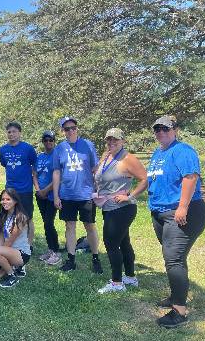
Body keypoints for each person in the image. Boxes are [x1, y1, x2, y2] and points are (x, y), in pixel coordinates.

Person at [147, 116, 205, 328]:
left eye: (165, 128)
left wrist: (182, 207)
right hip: (161, 212)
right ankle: (176, 297)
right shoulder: (158, 153)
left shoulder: (183, 150)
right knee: (175, 258)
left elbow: (190, 178)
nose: (161, 132)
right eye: (157, 129)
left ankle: (180, 312)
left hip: (183, 212)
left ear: (176, 130)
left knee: (173, 258)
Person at [93, 128, 147, 294]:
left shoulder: (128, 158)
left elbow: (146, 179)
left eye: (115, 139)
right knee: (123, 242)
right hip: (109, 207)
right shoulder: (108, 156)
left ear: (123, 141)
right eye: (108, 139)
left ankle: (117, 282)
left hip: (122, 208)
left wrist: (129, 196)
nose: (111, 142)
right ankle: (130, 277)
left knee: (111, 243)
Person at [52, 116, 103, 273]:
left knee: (90, 226)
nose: (71, 131)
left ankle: (95, 258)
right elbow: (56, 173)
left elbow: (96, 169)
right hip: (67, 194)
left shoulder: (88, 145)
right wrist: (55, 196)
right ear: (63, 131)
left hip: (86, 194)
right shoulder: (59, 148)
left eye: (73, 127)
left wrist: (98, 189)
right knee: (70, 226)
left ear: (77, 128)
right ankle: (71, 259)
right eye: (67, 129)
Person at [0, 121, 36, 277]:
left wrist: (35, 185)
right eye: (9, 132)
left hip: (25, 189)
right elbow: (4, 165)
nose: (11, 134)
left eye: (14, 131)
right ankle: (12, 243)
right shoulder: (3, 150)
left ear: (19, 133)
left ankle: (28, 245)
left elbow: (34, 166)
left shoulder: (28, 148)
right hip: (11, 189)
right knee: (11, 217)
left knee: (27, 218)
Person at [0, 189, 31, 288]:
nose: (4, 202)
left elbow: (10, 240)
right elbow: (2, 238)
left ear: (15, 201)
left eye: (8, 199)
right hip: (8, 251)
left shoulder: (20, 217)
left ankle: (12, 276)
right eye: (3, 199)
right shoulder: (4, 215)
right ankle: (14, 267)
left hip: (21, 253)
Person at [33, 131, 62, 265]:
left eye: (51, 140)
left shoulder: (58, 156)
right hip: (40, 195)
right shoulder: (40, 157)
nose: (48, 142)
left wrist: (45, 190)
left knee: (49, 222)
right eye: (46, 140)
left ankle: (56, 251)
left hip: (51, 195)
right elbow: (34, 174)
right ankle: (50, 249)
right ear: (43, 142)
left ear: (54, 141)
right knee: (46, 222)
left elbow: (59, 176)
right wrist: (39, 190)